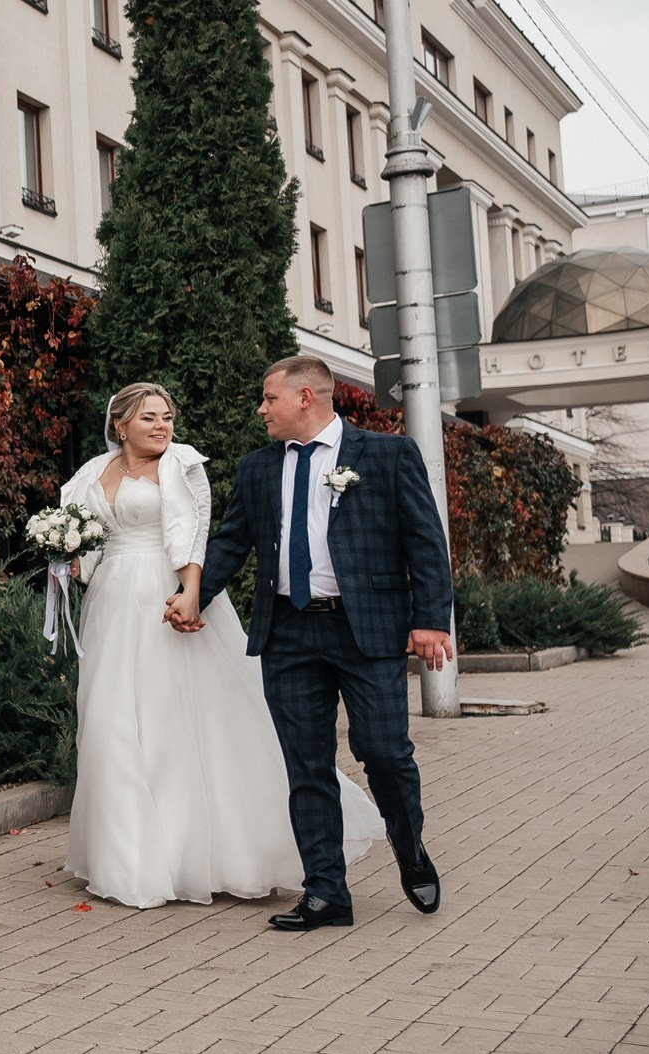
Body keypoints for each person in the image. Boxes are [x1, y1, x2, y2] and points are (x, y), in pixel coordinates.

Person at [61, 381, 383, 910]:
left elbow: (194, 531)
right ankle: (127, 856)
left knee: (172, 722)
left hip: (163, 594)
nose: (162, 426)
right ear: (120, 425)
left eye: (167, 416)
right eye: (149, 418)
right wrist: (72, 557)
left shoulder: (181, 463)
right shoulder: (92, 472)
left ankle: (190, 854)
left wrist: (191, 592)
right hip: (110, 602)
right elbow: (88, 533)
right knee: (109, 719)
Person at [169, 355, 454, 931]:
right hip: (288, 632)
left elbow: (426, 542)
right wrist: (194, 594)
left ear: (306, 398)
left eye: (269, 398)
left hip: (365, 627)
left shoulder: (387, 455)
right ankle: (326, 891)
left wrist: (431, 621)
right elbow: (232, 542)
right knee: (306, 765)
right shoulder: (257, 468)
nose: (261, 409)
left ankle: (411, 848)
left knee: (384, 752)